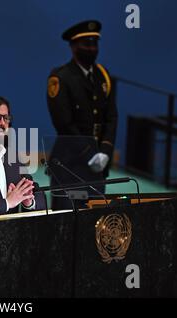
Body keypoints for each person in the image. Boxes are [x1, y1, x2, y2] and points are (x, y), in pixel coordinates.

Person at [46, 20, 118, 205]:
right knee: (67, 217)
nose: (92, 49)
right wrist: (90, 153)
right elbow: (63, 122)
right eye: (86, 44)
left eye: (94, 44)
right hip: (70, 163)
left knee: (94, 217)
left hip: (98, 166)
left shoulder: (104, 76)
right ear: (73, 46)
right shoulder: (61, 77)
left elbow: (111, 117)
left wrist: (105, 151)